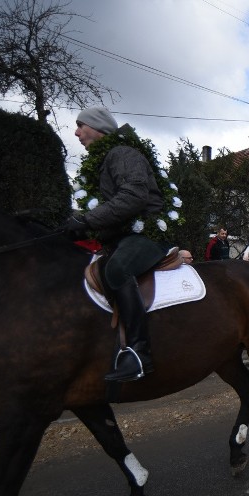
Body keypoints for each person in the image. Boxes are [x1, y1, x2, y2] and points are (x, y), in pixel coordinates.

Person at [64, 107, 169, 383]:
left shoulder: (122, 153)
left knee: (117, 269)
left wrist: (86, 220)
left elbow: (133, 197)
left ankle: (139, 354)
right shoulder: (101, 161)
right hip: (122, 236)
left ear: (98, 127)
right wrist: (75, 226)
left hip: (148, 236)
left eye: (80, 126)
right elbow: (108, 208)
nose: (76, 133)